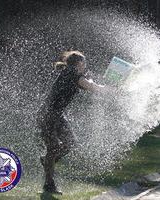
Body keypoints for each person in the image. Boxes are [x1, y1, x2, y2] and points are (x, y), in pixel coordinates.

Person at [37, 50, 108, 194]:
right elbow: (93, 87)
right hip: (47, 115)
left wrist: (92, 82)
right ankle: (49, 185)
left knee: (70, 143)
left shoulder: (72, 73)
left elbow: (88, 84)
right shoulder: (73, 74)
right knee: (53, 148)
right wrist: (112, 90)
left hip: (57, 115)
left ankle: (47, 160)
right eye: (84, 63)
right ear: (79, 63)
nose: (85, 65)